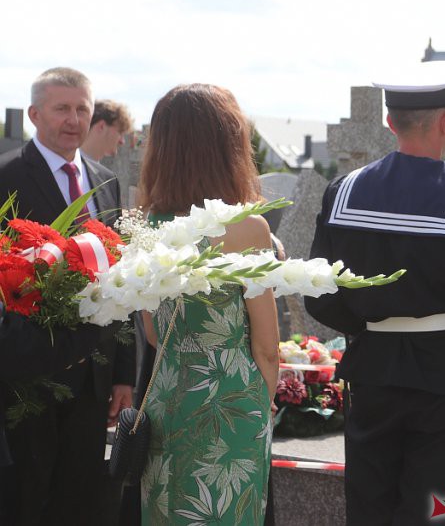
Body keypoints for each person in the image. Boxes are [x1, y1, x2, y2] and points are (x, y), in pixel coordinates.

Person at [304, 60, 445, 525]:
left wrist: (373, 323)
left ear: (389, 121)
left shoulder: (341, 193)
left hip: (373, 371)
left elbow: (318, 294)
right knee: (434, 515)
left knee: (369, 512)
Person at [137, 84, 279, 524]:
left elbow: (152, 332)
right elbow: (267, 347)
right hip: (232, 403)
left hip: (167, 395)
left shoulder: (146, 225)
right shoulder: (247, 229)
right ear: (228, 146)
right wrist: (262, 402)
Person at [0, 67, 134, 525]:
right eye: (62, 109)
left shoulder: (105, 180)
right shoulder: (7, 176)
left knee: (80, 502)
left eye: (82, 109)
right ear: (35, 114)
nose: (74, 120)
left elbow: (120, 280)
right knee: (28, 499)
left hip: (95, 377)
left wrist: (123, 374)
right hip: (30, 375)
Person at [0, 305, 117, 520]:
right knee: (25, 495)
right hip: (24, 390)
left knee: (78, 497)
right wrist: (84, 339)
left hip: (88, 385)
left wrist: (123, 376)